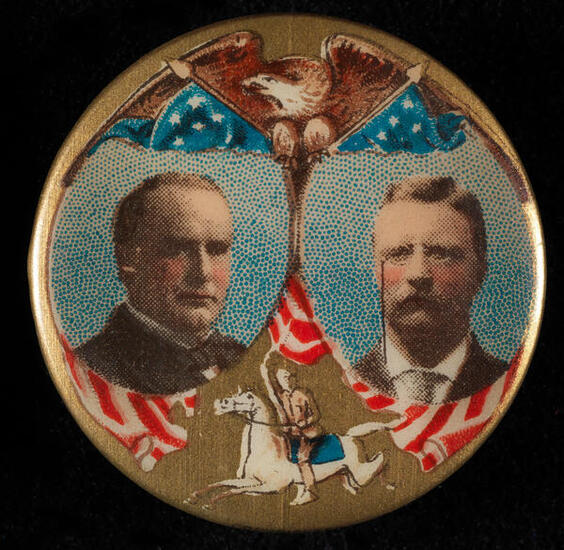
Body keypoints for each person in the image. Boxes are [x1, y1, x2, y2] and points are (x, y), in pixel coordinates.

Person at [74, 172, 245, 394]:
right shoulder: (93, 369)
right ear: (128, 259)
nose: (203, 272)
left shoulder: (244, 358)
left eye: (217, 250)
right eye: (178, 248)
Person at [355, 175, 508, 404]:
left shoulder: (504, 381)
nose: (418, 274)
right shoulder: (344, 382)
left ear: (479, 272)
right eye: (399, 254)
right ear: (377, 271)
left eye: (441, 253)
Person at [261, 365, 322, 505]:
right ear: (278, 380)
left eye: (288, 377)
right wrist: (264, 370)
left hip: (308, 433)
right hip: (290, 434)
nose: (287, 380)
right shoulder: (281, 396)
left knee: (302, 458)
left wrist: (304, 423)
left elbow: (316, 414)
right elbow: (270, 388)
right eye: (283, 378)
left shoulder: (303, 394)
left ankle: (311, 491)